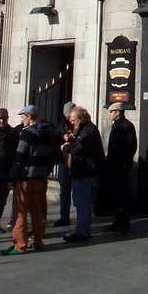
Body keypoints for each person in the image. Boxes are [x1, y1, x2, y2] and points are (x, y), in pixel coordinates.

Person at [0, 105, 55, 256]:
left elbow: (20, 157)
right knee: (37, 212)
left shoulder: (27, 134)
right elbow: (51, 155)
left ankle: (20, 245)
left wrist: (12, 178)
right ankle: (38, 241)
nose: (22, 120)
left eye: (23, 117)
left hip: (25, 178)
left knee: (20, 214)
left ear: (30, 117)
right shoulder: (47, 133)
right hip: (40, 178)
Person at [61, 106, 104, 243]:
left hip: (85, 172)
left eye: (74, 120)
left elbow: (82, 148)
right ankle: (83, 229)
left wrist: (66, 147)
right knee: (81, 202)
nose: (71, 122)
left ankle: (82, 231)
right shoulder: (84, 129)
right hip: (81, 171)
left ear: (81, 119)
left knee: (82, 202)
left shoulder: (88, 131)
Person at [104, 104, 137, 235]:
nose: (110, 114)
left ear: (118, 112)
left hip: (121, 165)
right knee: (116, 195)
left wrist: (124, 162)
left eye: (111, 112)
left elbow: (130, 146)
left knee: (123, 195)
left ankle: (124, 223)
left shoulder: (127, 126)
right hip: (113, 164)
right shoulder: (115, 126)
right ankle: (117, 220)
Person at [52, 101, 76, 227]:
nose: (69, 118)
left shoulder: (80, 124)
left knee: (77, 191)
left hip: (75, 161)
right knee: (64, 190)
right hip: (63, 161)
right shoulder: (61, 125)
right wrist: (63, 138)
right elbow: (55, 142)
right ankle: (64, 216)